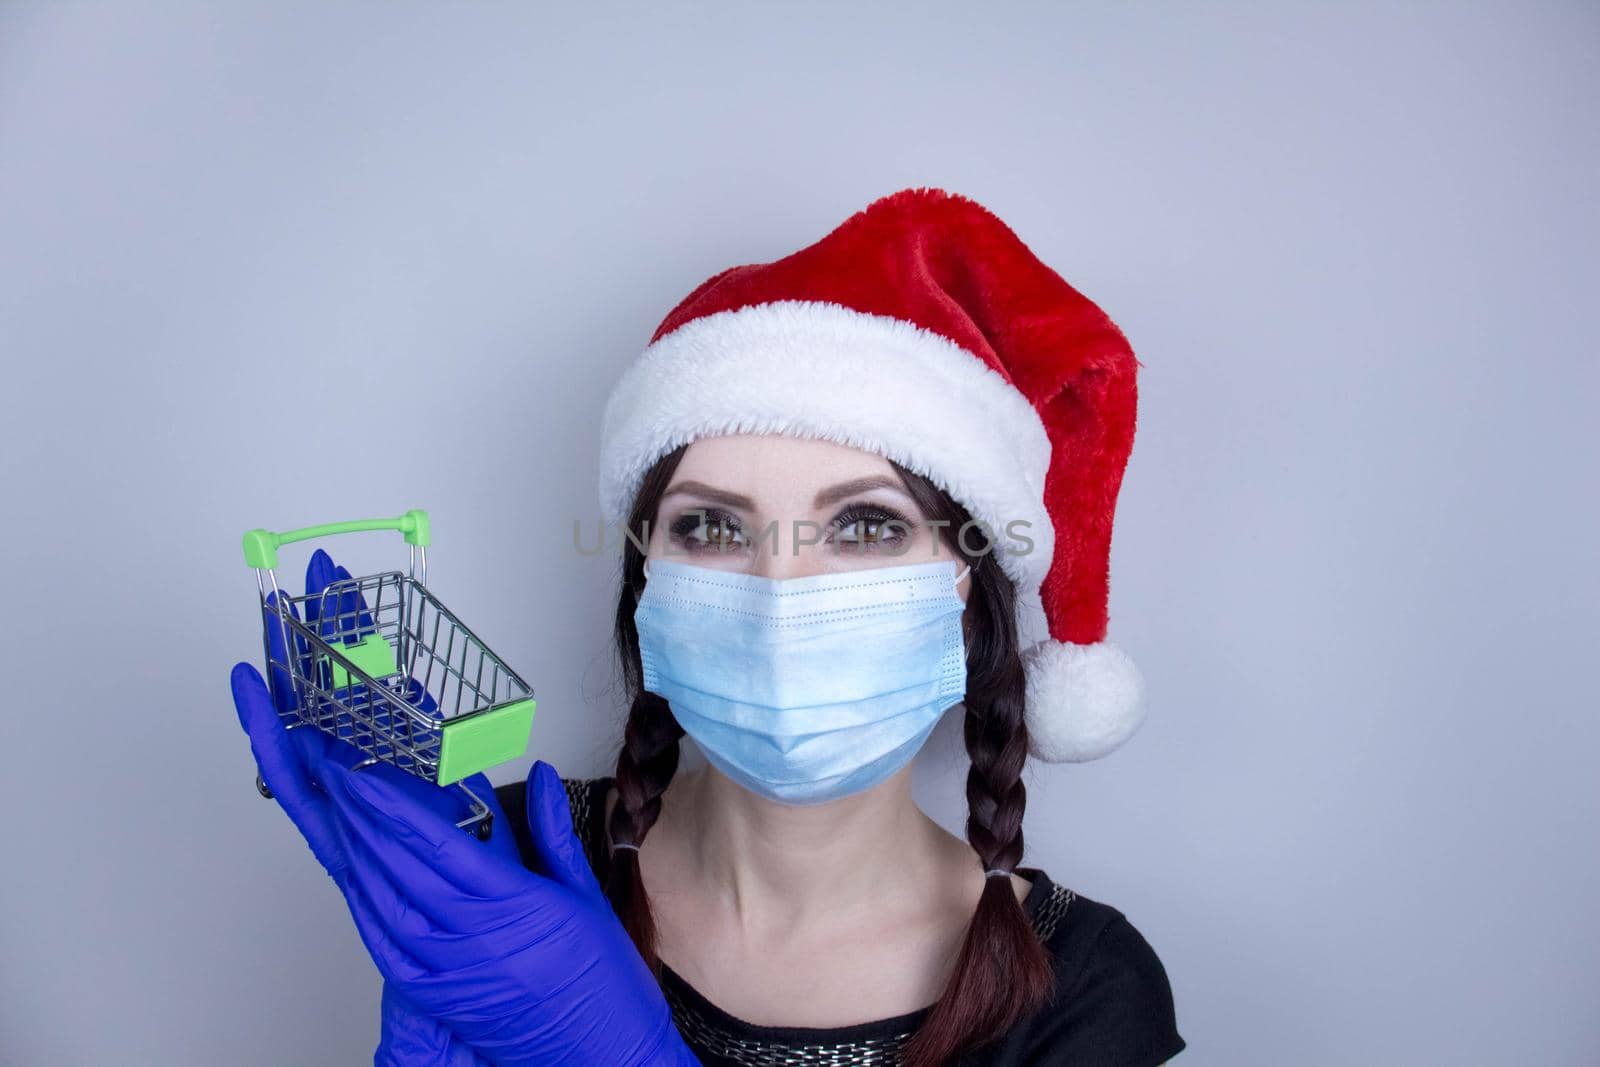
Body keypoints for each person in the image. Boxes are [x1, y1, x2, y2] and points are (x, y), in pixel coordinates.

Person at [231, 186, 1186, 1066]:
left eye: (865, 525)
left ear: (970, 585)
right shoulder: (497, 867)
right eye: (711, 525)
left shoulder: (1087, 994)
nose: (778, 592)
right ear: (647, 579)